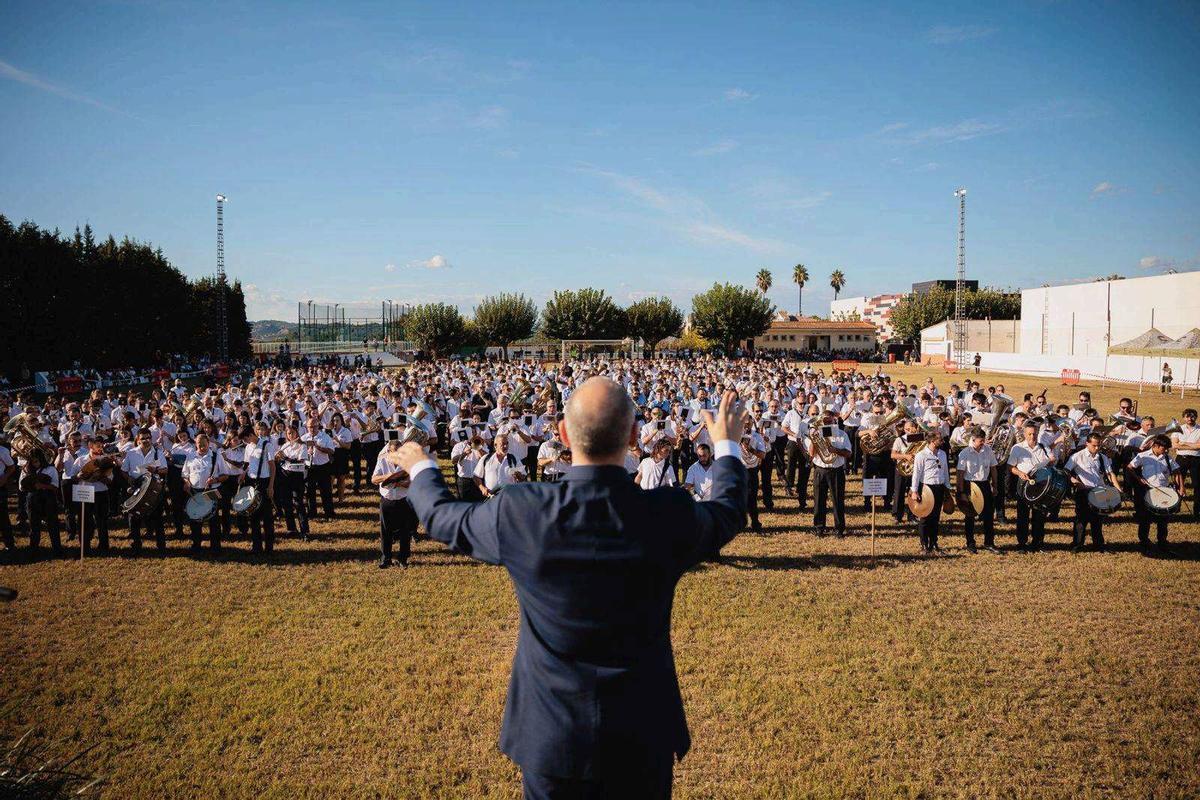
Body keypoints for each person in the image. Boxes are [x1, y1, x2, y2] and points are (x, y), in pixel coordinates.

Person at [391, 379, 747, 799]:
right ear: (634, 436)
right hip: (641, 730)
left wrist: (421, 467)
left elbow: (442, 517)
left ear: (562, 433)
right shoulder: (667, 512)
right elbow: (727, 510)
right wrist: (726, 446)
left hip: (552, 732)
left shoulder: (522, 509)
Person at [1126, 434, 1183, 555]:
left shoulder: (1167, 458)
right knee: (1145, 520)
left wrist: (1181, 488)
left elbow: (1177, 472)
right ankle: (1144, 543)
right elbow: (1130, 467)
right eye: (1164, 448)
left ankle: (1162, 543)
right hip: (1147, 491)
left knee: (1163, 520)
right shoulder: (1143, 456)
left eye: (1167, 449)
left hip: (1164, 491)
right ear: (1156, 446)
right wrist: (1139, 479)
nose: (1166, 451)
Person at [1065, 432, 1120, 553]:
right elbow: (1066, 471)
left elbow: (1110, 474)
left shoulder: (1102, 457)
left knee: (1097, 520)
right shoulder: (1077, 456)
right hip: (1084, 491)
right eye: (1094, 445)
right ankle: (1077, 545)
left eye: (1098, 445)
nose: (1097, 447)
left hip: (1100, 491)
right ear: (1087, 443)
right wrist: (1075, 481)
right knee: (1081, 520)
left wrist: (1118, 489)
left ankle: (1098, 545)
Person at [1008, 422, 1054, 552]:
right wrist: (1020, 473)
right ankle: (1022, 544)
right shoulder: (1017, 448)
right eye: (1029, 434)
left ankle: (1037, 543)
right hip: (1024, 483)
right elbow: (1010, 466)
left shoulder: (1043, 447)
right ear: (1024, 434)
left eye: (1034, 434)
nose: (1032, 436)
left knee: (1039, 515)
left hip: (1041, 484)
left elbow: (1051, 460)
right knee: (1023, 515)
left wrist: (1051, 461)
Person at [372, 439, 417, 568]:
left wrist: (401, 483)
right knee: (385, 531)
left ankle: (403, 559)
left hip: (404, 500)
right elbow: (374, 479)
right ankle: (386, 559)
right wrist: (387, 476)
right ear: (389, 451)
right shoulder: (382, 461)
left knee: (405, 531)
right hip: (387, 501)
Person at [122, 429, 168, 552]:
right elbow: (124, 470)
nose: (146, 440)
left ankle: (161, 546)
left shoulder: (158, 453)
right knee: (134, 516)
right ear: (138, 440)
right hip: (137, 486)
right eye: (143, 438)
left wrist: (155, 470)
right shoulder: (131, 453)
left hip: (153, 488)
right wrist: (129, 480)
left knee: (157, 517)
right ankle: (136, 544)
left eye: (148, 438)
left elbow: (165, 469)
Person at [808, 412, 851, 538]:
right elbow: (811, 454)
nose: (827, 424)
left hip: (836, 470)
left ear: (834, 421)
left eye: (829, 421)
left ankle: (839, 529)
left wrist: (835, 450)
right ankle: (819, 528)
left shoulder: (842, 434)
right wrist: (813, 440)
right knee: (818, 500)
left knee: (838, 501)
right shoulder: (818, 434)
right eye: (824, 422)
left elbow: (848, 453)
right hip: (820, 470)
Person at [956, 427, 998, 553]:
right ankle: (970, 543)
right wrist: (961, 492)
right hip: (970, 485)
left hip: (984, 484)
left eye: (983, 440)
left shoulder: (988, 450)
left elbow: (993, 468)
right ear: (973, 440)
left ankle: (989, 543)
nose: (983, 443)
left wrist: (995, 485)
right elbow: (960, 473)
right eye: (980, 441)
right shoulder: (964, 453)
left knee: (988, 516)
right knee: (970, 516)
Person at [910, 431, 949, 553]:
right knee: (925, 517)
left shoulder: (942, 454)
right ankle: (924, 544)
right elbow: (916, 474)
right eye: (940, 440)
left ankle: (933, 543)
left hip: (939, 487)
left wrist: (947, 487)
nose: (942, 441)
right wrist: (914, 491)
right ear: (932, 441)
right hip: (927, 488)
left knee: (936, 517)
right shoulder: (921, 455)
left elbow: (945, 471)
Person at [243, 422, 277, 554]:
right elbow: (248, 464)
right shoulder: (248, 447)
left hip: (264, 482)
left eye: (246, 438)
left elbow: (272, 467)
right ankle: (256, 546)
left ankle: (269, 547)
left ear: (251, 435)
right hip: (251, 482)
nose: (245, 441)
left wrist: (271, 486)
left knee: (267, 517)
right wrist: (243, 473)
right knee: (253, 515)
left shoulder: (266, 445)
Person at [1171, 408, 1199, 520]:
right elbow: (1175, 445)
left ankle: (1197, 511)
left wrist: (1183, 443)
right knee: (1177, 483)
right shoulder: (1177, 429)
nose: (1190, 419)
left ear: (1196, 417)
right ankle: (1176, 508)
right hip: (1181, 459)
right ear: (1184, 418)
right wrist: (1193, 445)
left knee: (1197, 485)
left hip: (1196, 459)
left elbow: (1199, 446)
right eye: (1187, 416)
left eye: (1192, 416)